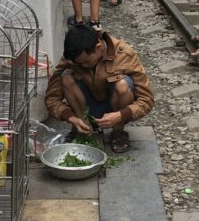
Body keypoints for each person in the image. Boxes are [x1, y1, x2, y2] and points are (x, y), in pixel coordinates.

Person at [46, 24, 154, 152]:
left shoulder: (124, 54)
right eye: (79, 63)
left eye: (86, 61)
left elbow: (147, 100)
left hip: (115, 106)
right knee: (66, 77)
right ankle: (83, 128)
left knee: (122, 85)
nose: (83, 65)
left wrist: (120, 116)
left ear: (98, 47)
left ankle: (118, 132)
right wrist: (71, 118)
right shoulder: (72, 58)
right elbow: (52, 99)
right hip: (86, 107)